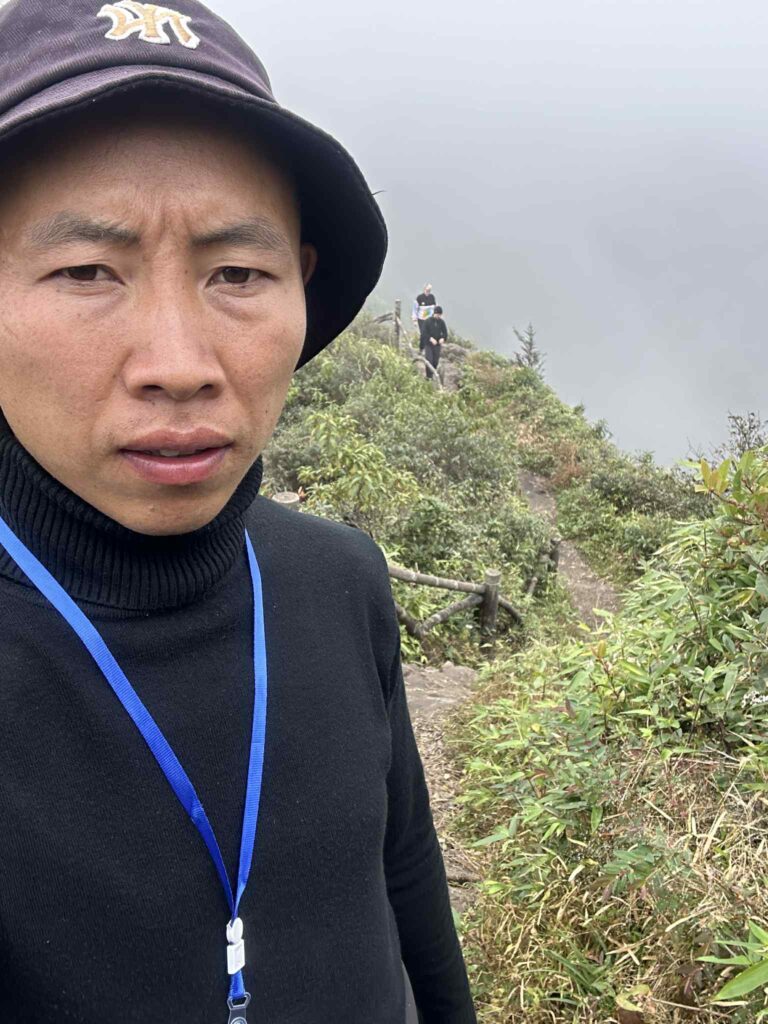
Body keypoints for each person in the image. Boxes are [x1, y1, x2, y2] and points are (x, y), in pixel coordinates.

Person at [0, 2, 477, 1023]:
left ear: (301, 288)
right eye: (87, 271)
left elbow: (415, 917)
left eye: (238, 273)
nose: (180, 365)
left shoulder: (340, 580)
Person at [423, 306, 448, 379]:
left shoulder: (442, 322)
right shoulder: (427, 321)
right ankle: (428, 377)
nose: (438, 316)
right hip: (429, 344)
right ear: (434, 313)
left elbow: (445, 333)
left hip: (437, 345)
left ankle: (433, 375)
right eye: (437, 314)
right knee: (429, 360)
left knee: (435, 361)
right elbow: (424, 333)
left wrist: (443, 338)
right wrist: (430, 339)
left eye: (440, 315)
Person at [412, 283, 437, 350]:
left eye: (430, 290)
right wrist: (414, 320)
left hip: (430, 319)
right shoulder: (419, 298)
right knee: (423, 334)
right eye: (427, 289)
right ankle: (421, 348)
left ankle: (427, 349)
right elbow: (415, 309)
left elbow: (434, 307)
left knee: (429, 334)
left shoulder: (432, 297)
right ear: (424, 289)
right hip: (421, 320)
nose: (428, 291)